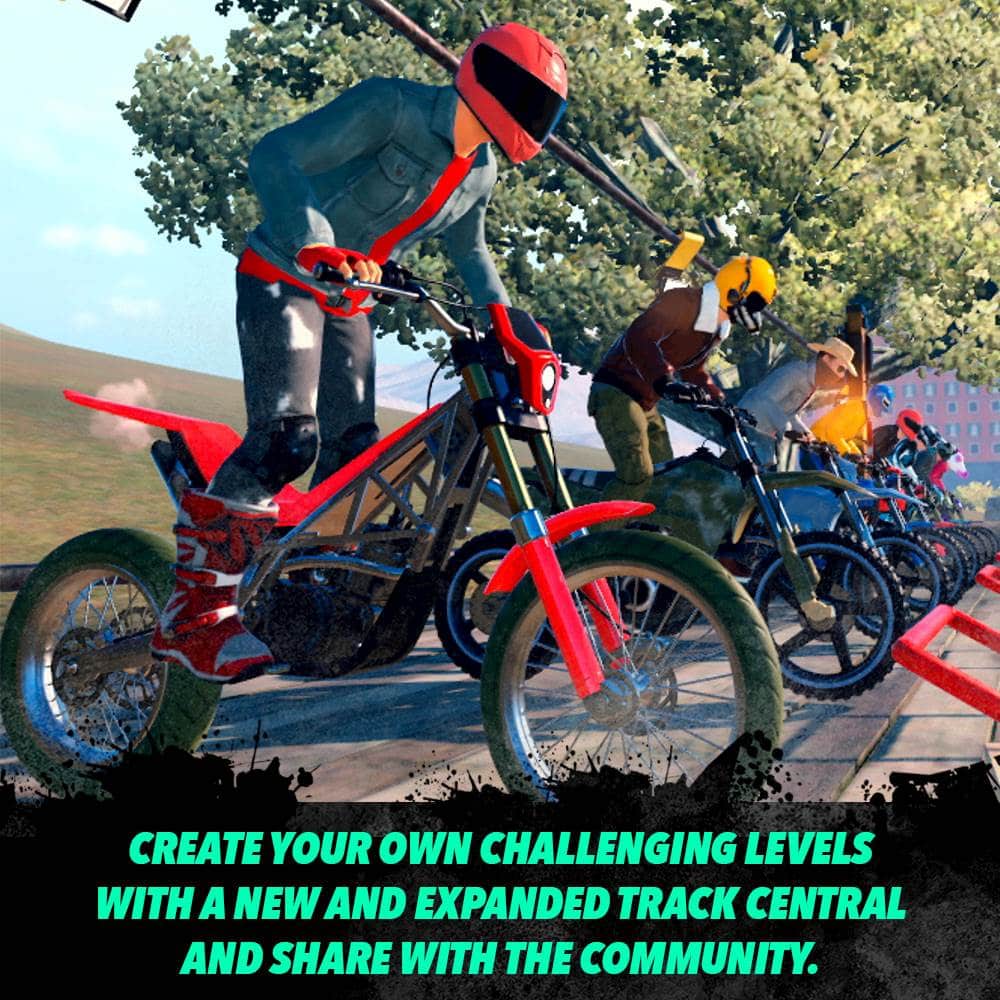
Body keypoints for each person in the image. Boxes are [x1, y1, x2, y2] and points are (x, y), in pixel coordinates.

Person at [151, 23, 569, 682]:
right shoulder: (390, 107)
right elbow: (277, 154)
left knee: (354, 459)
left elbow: (471, 250)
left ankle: (301, 590)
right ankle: (193, 613)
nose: (537, 122)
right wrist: (315, 240)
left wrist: (507, 322)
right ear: (488, 77)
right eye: (532, 102)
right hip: (286, 274)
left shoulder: (481, 169)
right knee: (288, 441)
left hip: (353, 300)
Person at [587, 255, 778, 506]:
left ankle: (643, 534)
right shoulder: (683, 303)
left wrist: (721, 403)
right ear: (735, 290)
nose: (754, 313)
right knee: (638, 475)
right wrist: (665, 380)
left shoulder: (713, 328)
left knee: (666, 476)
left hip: (644, 401)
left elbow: (694, 372)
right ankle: (587, 539)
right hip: (616, 391)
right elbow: (640, 338)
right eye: (754, 302)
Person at [738, 337, 857, 465]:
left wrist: (809, 436)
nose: (841, 376)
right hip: (743, 430)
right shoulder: (795, 374)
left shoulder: (811, 386)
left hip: (760, 439)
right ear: (826, 358)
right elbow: (763, 399)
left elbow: (790, 412)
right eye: (840, 369)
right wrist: (787, 429)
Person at [810, 382, 895, 456]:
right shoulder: (855, 408)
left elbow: (847, 439)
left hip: (825, 446)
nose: (880, 413)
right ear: (876, 403)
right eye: (881, 409)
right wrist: (846, 453)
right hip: (815, 443)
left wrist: (858, 456)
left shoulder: (863, 416)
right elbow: (833, 431)